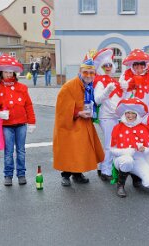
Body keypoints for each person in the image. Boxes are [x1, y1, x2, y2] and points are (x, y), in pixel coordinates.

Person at [53, 51, 105, 187]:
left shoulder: (89, 86)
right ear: (80, 71)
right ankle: (65, 175)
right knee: (71, 150)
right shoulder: (68, 86)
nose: (88, 75)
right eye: (85, 72)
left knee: (81, 150)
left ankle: (77, 174)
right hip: (71, 124)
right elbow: (62, 109)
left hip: (84, 122)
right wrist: (78, 113)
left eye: (91, 73)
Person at [0, 54, 36, 186]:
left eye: (10, 72)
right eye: (5, 72)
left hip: (21, 124)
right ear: (1, 73)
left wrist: (32, 121)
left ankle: (21, 174)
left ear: (14, 72)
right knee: (9, 151)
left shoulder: (22, 88)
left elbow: (28, 105)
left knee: (21, 150)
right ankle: (8, 175)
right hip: (7, 126)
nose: (8, 74)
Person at [111, 98, 149, 198]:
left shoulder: (143, 128)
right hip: (121, 159)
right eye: (128, 113)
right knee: (127, 161)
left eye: (133, 113)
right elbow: (112, 150)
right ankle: (120, 185)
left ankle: (135, 175)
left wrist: (144, 149)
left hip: (138, 159)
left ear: (137, 115)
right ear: (124, 114)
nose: (130, 116)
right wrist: (127, 151)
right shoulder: (117, 128)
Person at [93, 48, 123, 181]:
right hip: (106, 117)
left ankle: (103, 167)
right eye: (105, 65)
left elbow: (119, 100)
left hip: (116, 117)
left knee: (112, 143)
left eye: (110, 65)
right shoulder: (100, 81)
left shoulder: (115, 81)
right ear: (101, 67)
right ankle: (105, 170)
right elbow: (98, 99)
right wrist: (106, 91)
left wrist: (126, 89)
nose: (108, 67)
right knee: (109, 145)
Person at [119, 49, 149, 119]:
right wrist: (123, 89)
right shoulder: (125, 76)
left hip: (144, 114)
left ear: (145, 65)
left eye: (142, 64)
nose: (139, 66)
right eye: (136, 64)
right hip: (128, 114)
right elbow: (119, 97)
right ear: (132, 65)